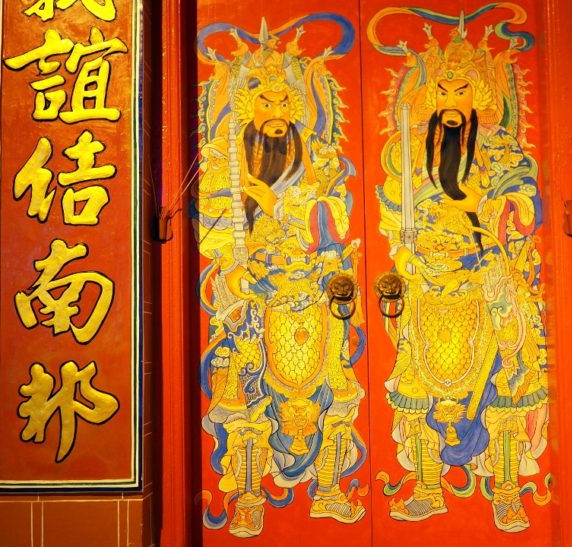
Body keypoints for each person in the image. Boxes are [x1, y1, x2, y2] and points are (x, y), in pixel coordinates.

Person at [372, 15, 549, 532]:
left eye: (463, 89)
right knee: (415, 382)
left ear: (482, 95)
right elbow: (393, 212)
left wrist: (483, 207)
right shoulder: (410, 153)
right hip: (428, 276)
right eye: (444, 89)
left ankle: (507, 491)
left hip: (481, 270)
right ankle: (428, 487)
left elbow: (526, 206)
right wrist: (405, 254)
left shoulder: (499, 149)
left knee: (511, 370)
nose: (452, 99)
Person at [196, 18, 366, 538]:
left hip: (312, 288)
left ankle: (329, 491)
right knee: (248, 392)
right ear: (247, 106)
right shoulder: (225, 160)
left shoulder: (317, 157)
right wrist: (236, 263)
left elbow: (335, 218)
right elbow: (212, 230)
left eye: (284, 102)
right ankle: (249, 499)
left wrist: (282, 208)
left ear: (298, 107)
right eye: (264, 102)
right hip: (256, 293)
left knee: (335, 390)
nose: (275, 112)